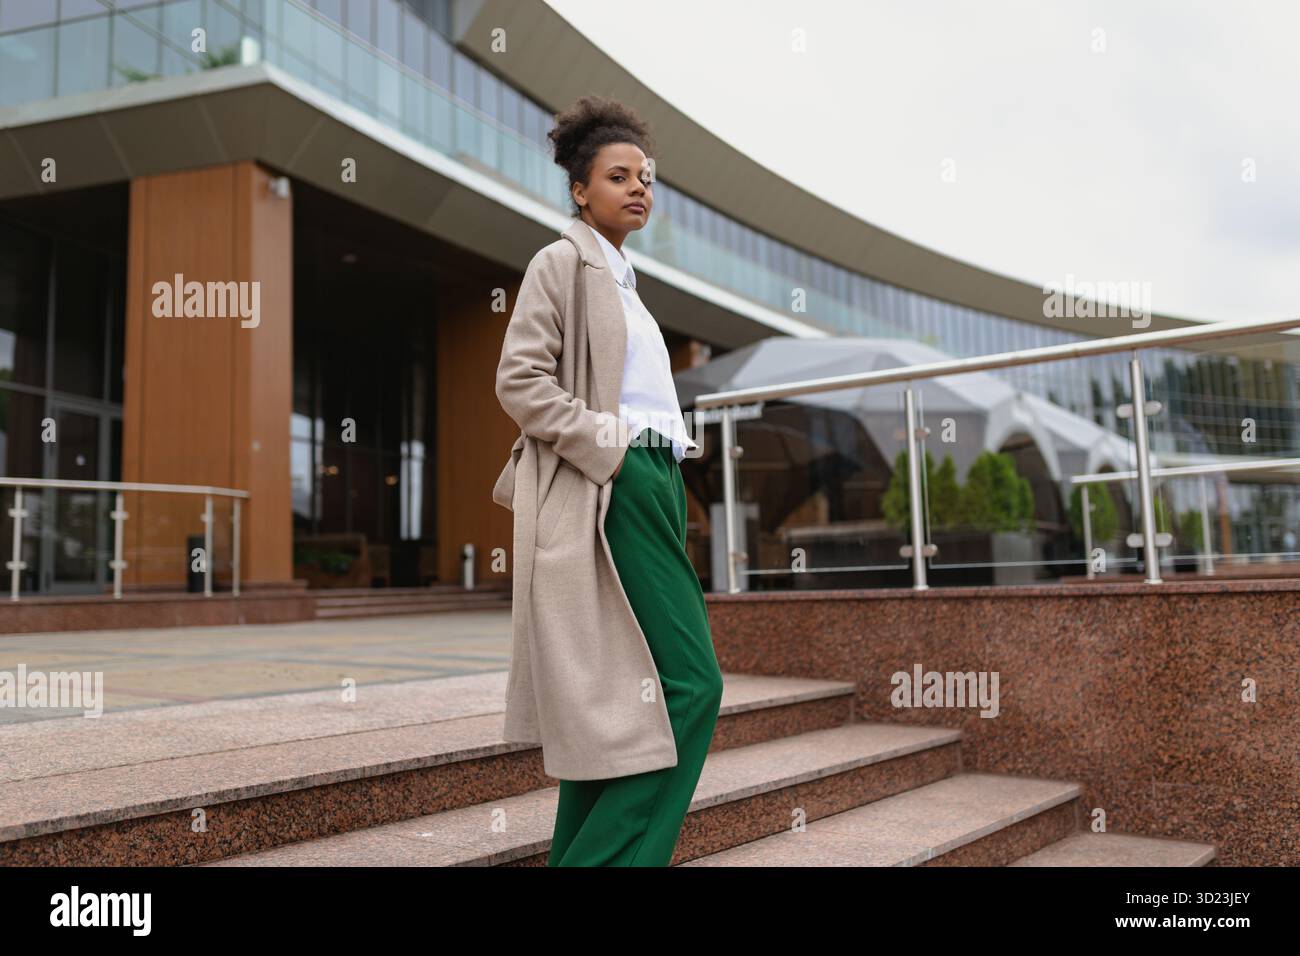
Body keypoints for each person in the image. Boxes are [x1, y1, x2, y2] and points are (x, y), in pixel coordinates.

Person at [495, 94, 724, 866]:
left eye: (647, 178)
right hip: (614, 483)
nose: (639, 190)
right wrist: (612, 448)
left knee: (621, 708)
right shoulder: (561, 262)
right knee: (693, 686)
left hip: (654, 477)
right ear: (579, 190)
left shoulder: (625, 280)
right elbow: (519, 382)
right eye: (619, 176)